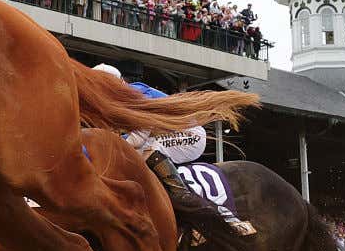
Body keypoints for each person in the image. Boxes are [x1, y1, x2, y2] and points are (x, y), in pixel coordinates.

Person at [90, 62, 253, 237]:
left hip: (189, 134)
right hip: (163, 134)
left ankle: (206, 212)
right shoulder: (116, 100)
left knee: (146, 150)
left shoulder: (136, 96)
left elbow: (137, 139)